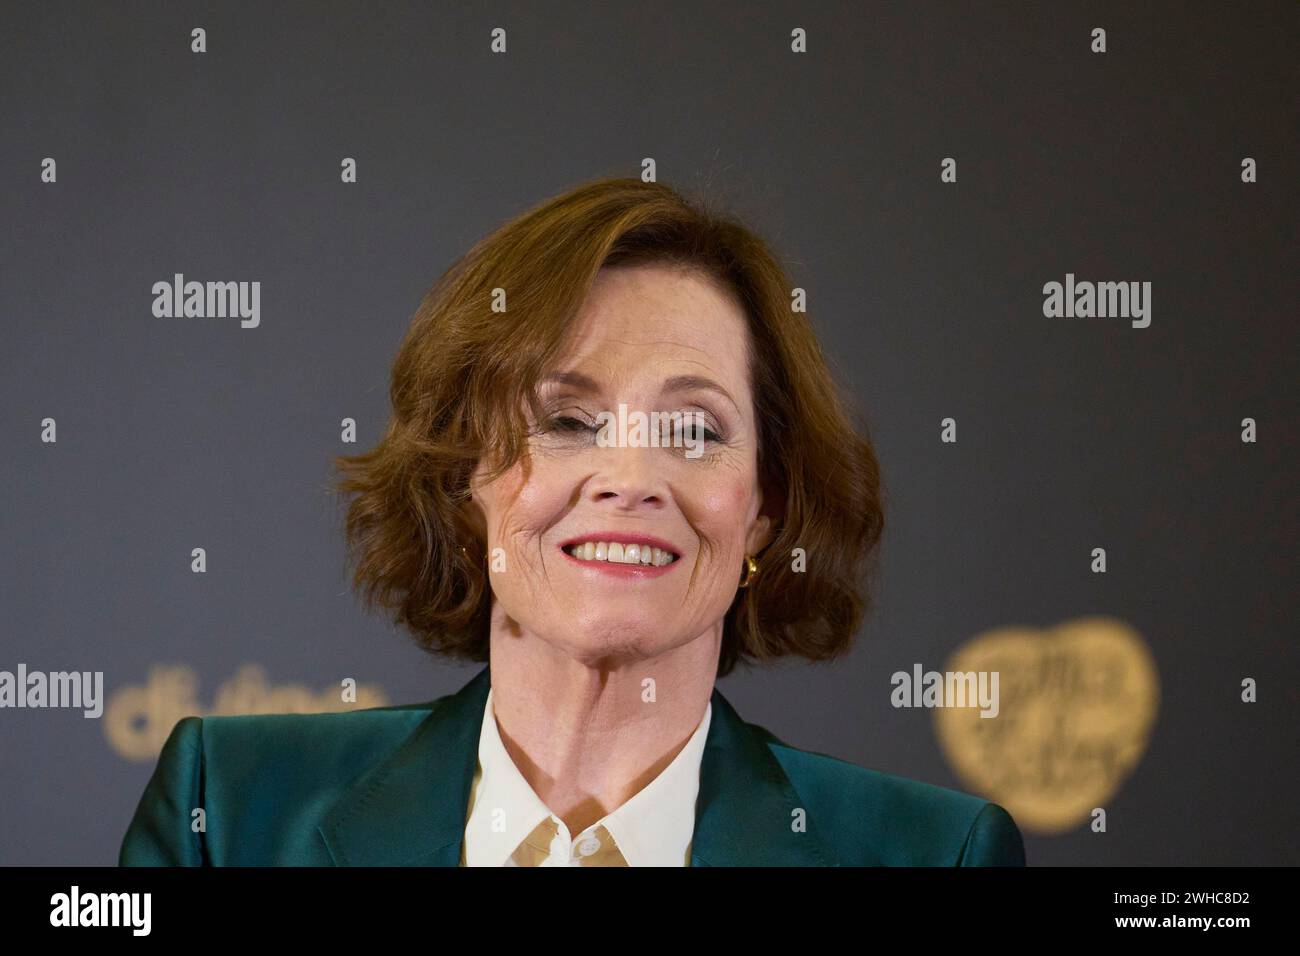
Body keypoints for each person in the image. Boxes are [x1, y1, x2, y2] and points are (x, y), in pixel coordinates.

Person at [119, 176, 1025, 866]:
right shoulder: (231, 811)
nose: (630, 480)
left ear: (764, 511)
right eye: (565, 421)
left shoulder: (934, 855)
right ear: (462, 478)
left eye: (694, 430)